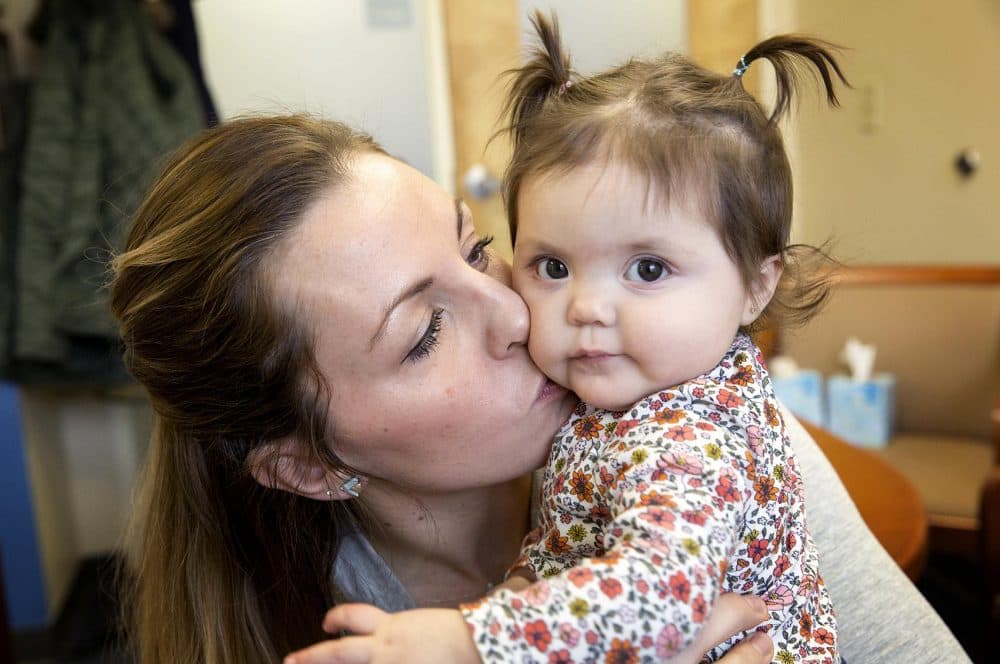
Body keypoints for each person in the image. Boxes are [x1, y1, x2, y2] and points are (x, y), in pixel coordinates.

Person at [110, 116, 970, 664]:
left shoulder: (696, 432)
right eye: (425, 333)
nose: (521, 313)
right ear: (304, 465)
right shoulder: (313, 619)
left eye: (478, 247)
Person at [293, 16, 845, 664]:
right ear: (304, 463)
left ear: (755, 286)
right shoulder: (617, 401)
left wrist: (471, 640)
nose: (583, 308)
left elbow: (661, 594)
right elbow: (575, 535)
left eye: (647, 269)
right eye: (553, 267)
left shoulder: (694, 436)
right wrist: (528, 583)